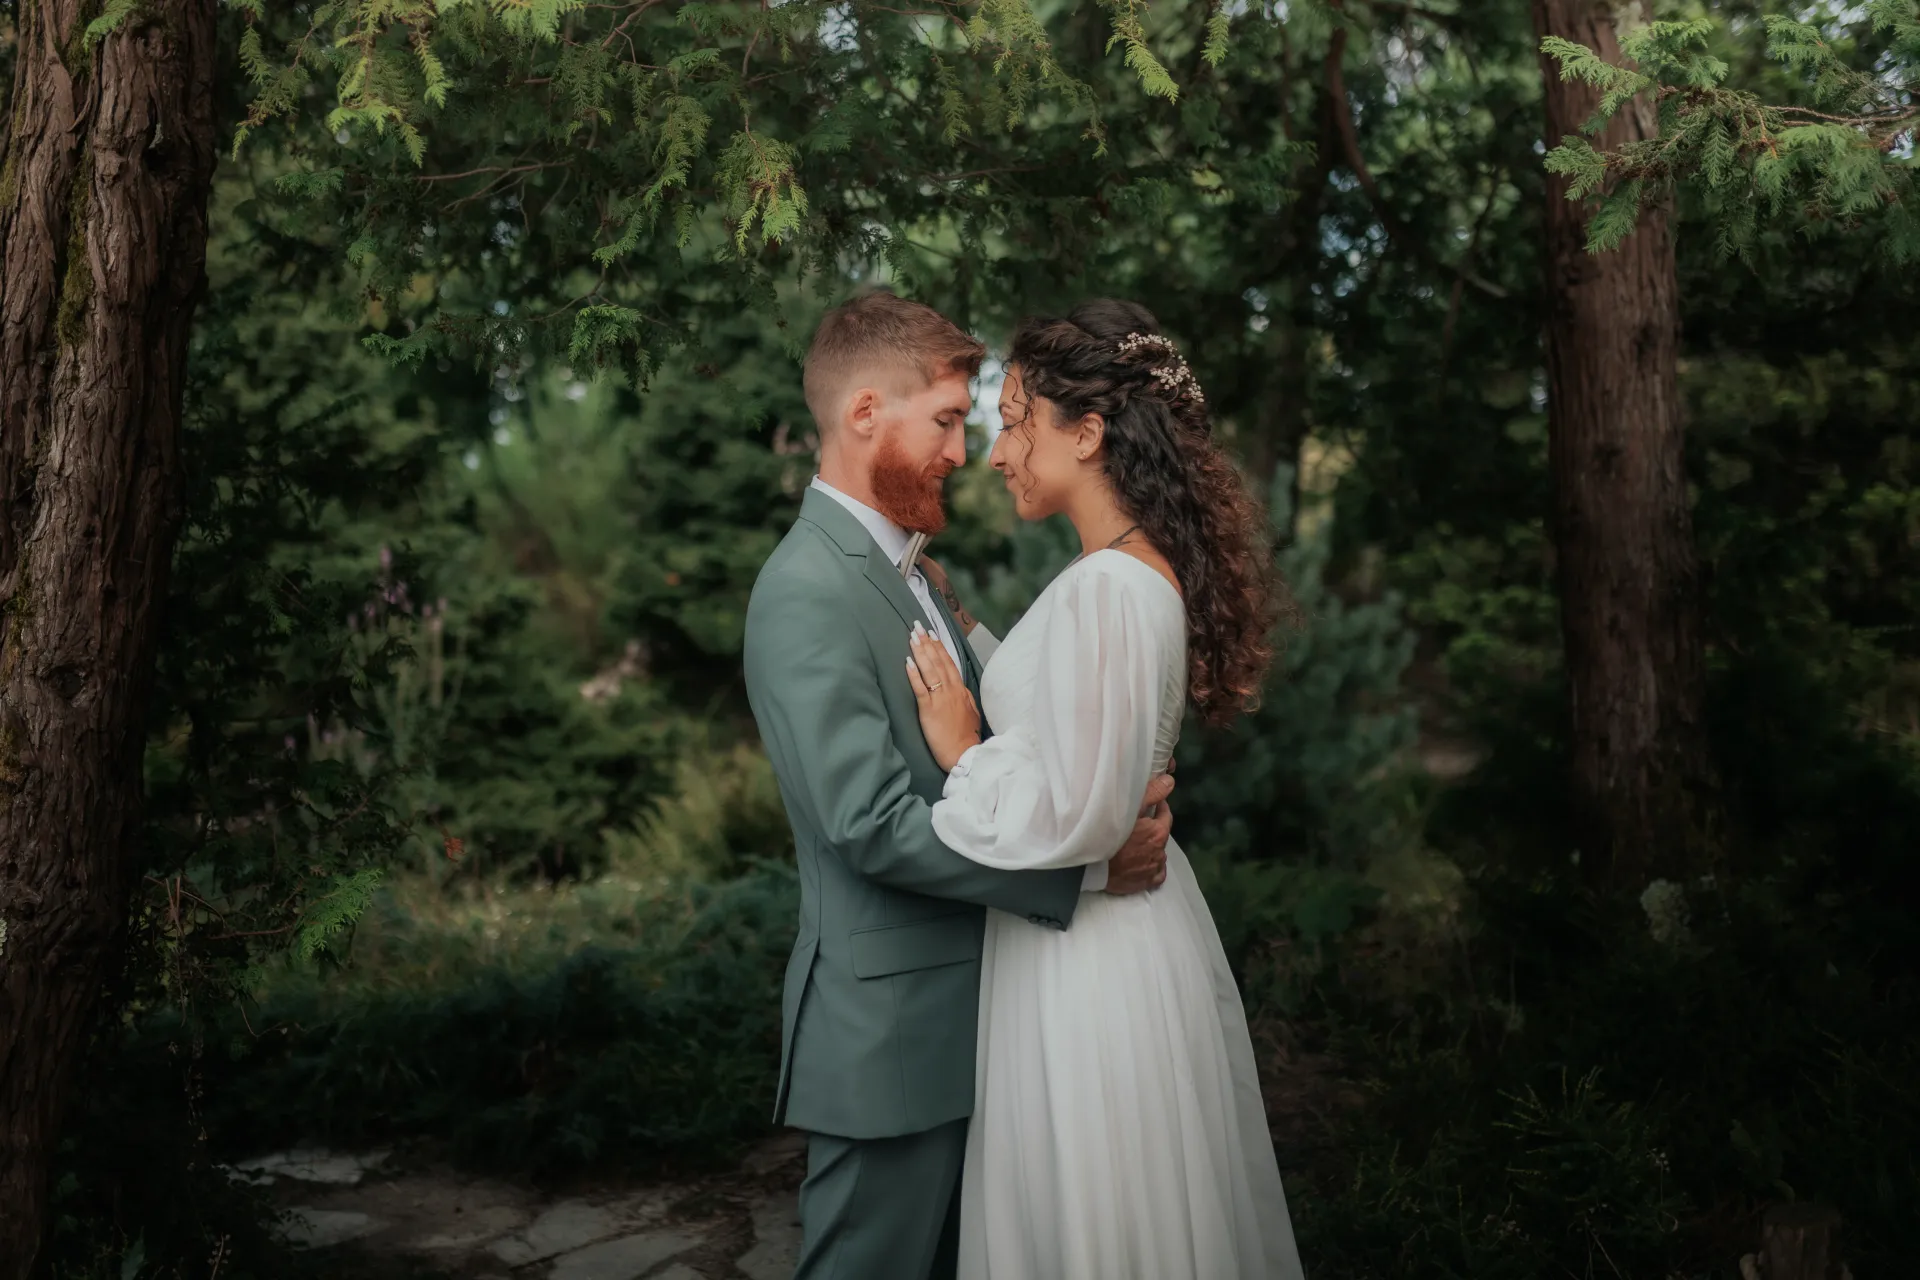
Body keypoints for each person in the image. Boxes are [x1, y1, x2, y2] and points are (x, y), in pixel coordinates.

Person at [741, 290, 1178, 1280]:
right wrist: (1085, 872)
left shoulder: (911, 579)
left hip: (983, 1027)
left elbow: (995, 744)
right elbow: (868, 822)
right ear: (864, 414)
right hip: (891, 1046)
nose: (961, 449)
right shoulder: (806, 589)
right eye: (944, 419)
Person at [903, 299, 1308, 1279]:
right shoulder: (1125, 574)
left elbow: (1080, 811)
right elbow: (1074, 715)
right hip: (1116, 940)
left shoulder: (1109, 588)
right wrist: (970, 632)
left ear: (1087, 431)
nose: (996, 451)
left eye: (1016, 418)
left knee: (1094, 1213)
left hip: (1090, 956)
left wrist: (964, 754)